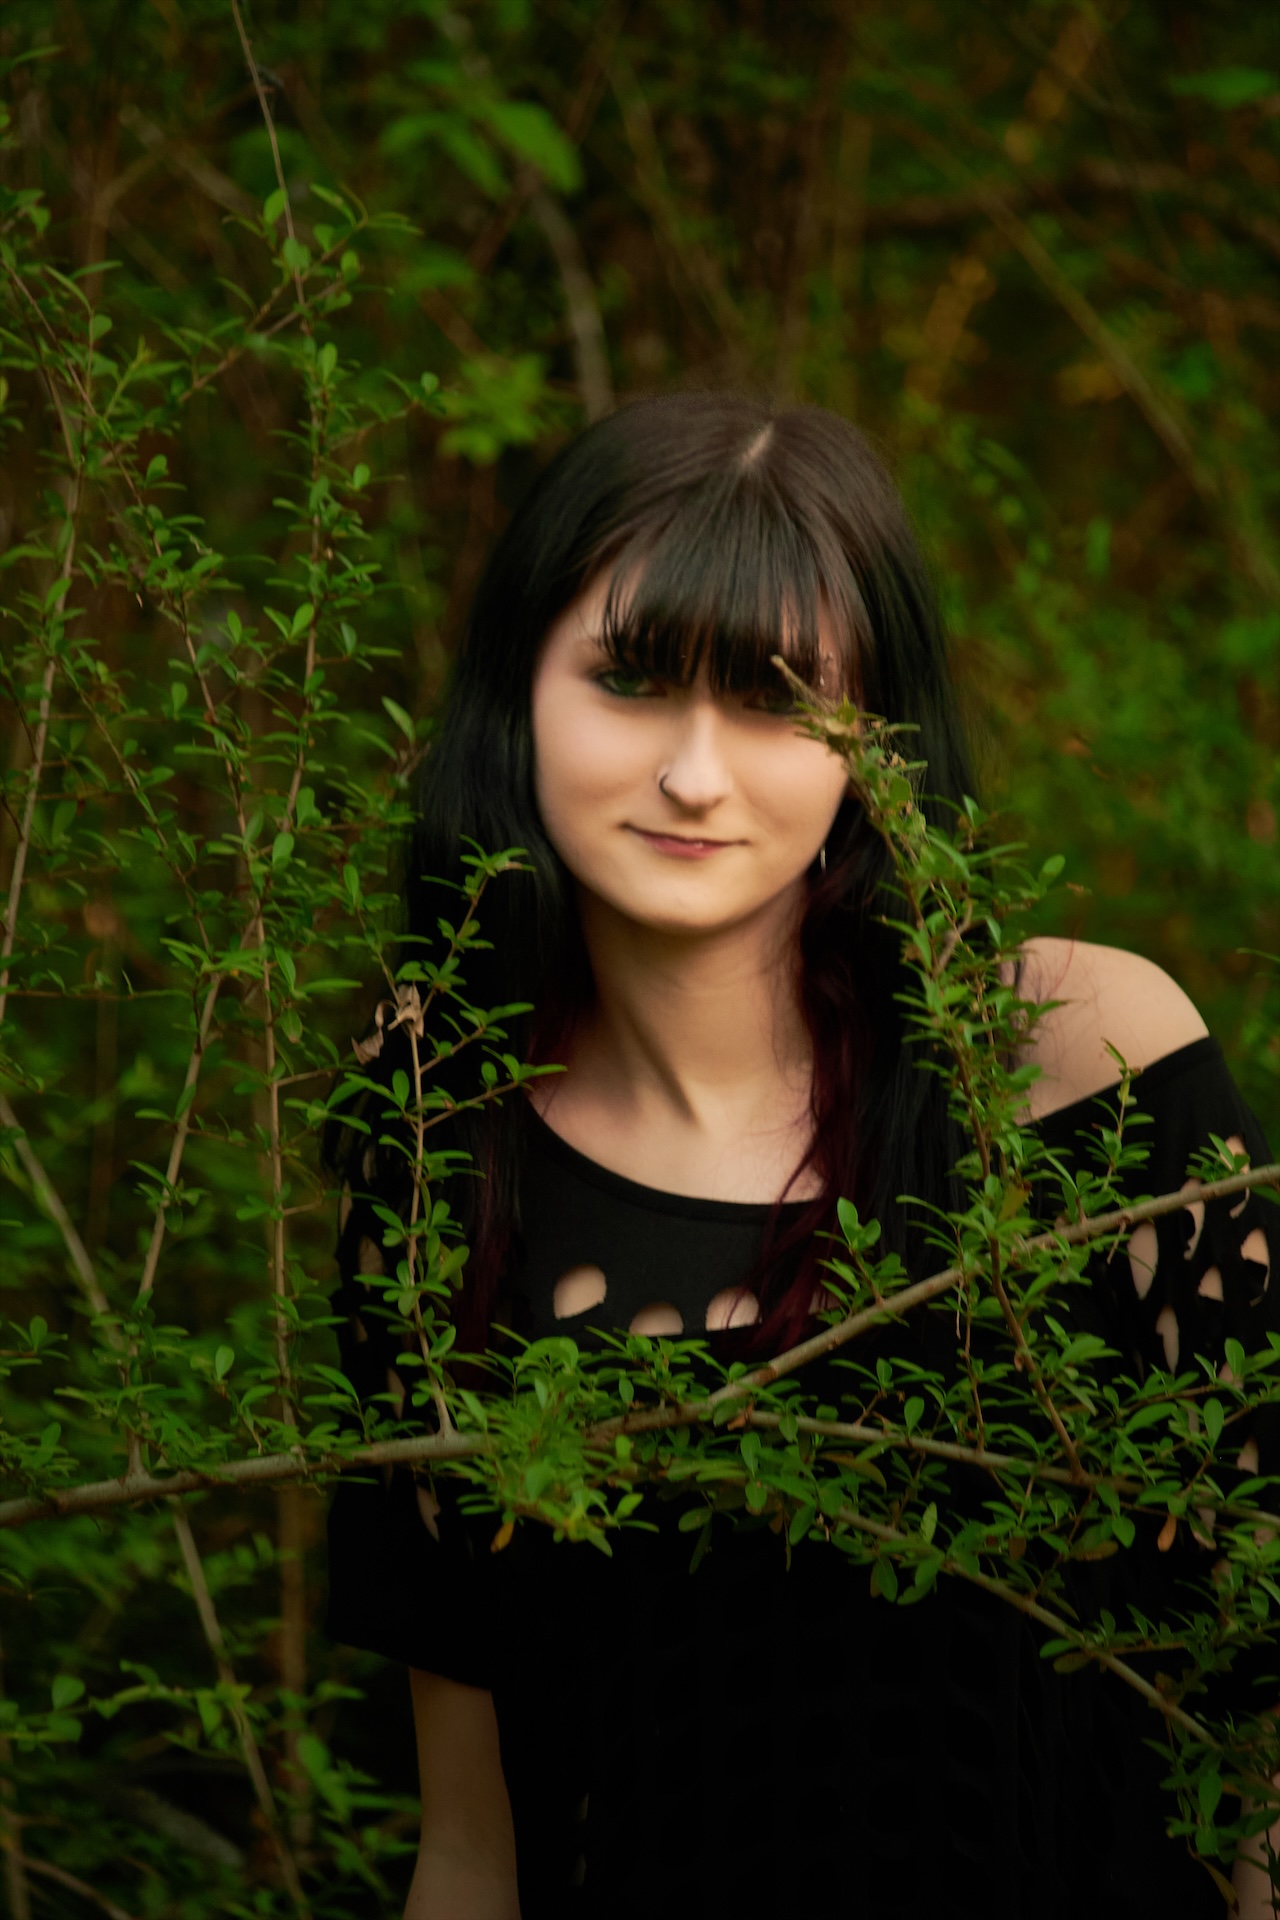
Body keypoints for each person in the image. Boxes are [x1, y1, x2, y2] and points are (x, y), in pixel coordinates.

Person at [325, 395, 1277, 1920]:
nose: (695, 774)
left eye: (778, 701)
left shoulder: (1084, 1065)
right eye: (631, 681)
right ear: (519, 691)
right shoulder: (439, 1141)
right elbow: (474, 1841)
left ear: (876, 736)